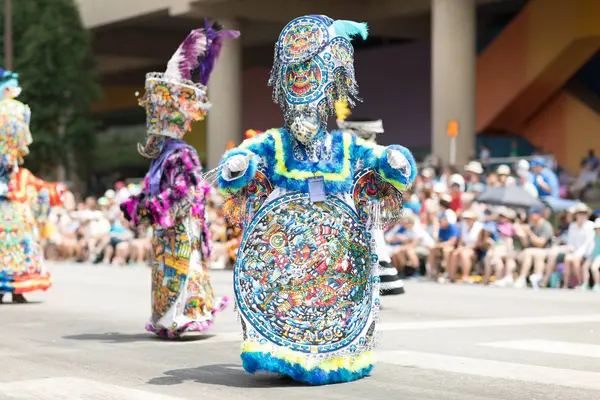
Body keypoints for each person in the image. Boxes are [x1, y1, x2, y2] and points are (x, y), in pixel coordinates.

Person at [217, 15, 416, 385]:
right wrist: (238, 163)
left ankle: (332, 358)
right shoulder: (276, 142)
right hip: (287, 240)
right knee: (288, 294)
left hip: (336, 242)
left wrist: (393, 160)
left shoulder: (343, 145)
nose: (304, 121)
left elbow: (378, 160)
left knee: (331, 299)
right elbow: (241, 160)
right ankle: (285, 354)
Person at [121, 23, 239, 338]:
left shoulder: (182, 154)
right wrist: (141, 205)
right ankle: (165, 318)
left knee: (181, 269)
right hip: (166, 226)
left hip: (181, 225)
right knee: (164, 270)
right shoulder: (161, 159)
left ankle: (182, 317)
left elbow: (187, 191)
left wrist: (157, 205)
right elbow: (155, 191)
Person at [0, 68, 65, 303]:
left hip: (10, 209)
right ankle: (17, 289)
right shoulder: (17, 111)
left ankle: (11, 288)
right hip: (16, 212)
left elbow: (39, 188)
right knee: (18, 245)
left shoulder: (21, 174)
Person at [336, 114, 405, 296]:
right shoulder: (342, 155)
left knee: (371, 245)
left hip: (367, 207)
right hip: (349, 207)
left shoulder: (378, 155)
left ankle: (370, 289)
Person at [514, 207, 555, 289]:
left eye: (532, 215)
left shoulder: (546, 226)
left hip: (545, 250)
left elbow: (541, 243)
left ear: (538, 215)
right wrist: (522, 235)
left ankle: (536, 277)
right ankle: (523, 278)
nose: (530, 217)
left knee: (534, 253)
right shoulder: (531, 225)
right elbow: (525, 244)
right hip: (532, 250)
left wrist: (529, 233)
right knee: (527, 253)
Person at [448, 210, 483, 282]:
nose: (467, 220)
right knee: (455, 253)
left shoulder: (479, 227)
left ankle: (465, 276)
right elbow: (460, 241)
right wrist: (460, 248)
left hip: (475, 250)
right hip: (465, 248)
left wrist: (465, 248)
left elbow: (478, 244)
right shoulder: (463, 226)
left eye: (469, 218)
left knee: (464, 254)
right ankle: (452, 276)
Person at [427, 209, 459, 280]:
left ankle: (446, 273)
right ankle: (431, 272)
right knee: (432, 249)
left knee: (446, 250)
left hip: (453, 247)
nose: (440, 222)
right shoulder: (440, 228)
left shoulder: (453, 227)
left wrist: (439, 245)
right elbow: (437, 241)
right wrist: (435, 230)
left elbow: (452, 242)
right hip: (443, 246)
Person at [581, 218, 600, 291]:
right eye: (597, 228)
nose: (598, 230)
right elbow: (588, 246)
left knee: (594, 268)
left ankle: (597, 284)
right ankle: (585, 284)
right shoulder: (593, 235)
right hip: (593, 255)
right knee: (585, 267)